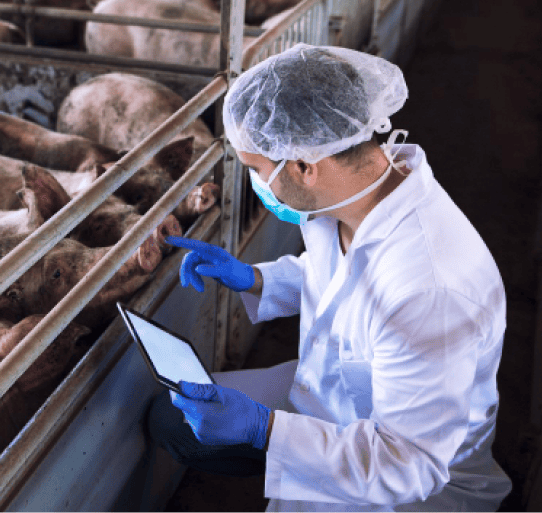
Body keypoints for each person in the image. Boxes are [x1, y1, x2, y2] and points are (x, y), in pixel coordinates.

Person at [149, 44, 512, 512]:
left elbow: (409, 465)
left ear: (305, 165)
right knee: (174, 418)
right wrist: (254, 279)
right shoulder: (354, 195)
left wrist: (265, 429)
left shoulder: (429, 290)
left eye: (258, 170)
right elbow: (339, 279)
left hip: (407, 482)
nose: (257, 185)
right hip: (331, 391)